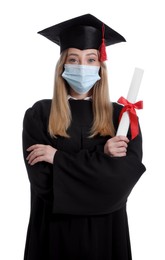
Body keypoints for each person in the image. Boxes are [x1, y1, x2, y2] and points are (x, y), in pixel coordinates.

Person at [22, 13, 146, 260]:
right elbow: (45, 186)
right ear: (62, 66)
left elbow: (119, 185)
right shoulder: (39, 114)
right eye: (74, 59)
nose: (82, 67)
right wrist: (103, 158)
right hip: (53, 236)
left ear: (101, 66)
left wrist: (58, 158)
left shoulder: (121, 117)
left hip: (107, 237)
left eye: (91, 59)